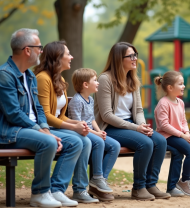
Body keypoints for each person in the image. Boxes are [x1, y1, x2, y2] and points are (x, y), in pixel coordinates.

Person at [0, 28, 83, 207]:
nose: (41, 50)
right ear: (27, 50)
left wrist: (45, 128)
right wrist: (43, 132)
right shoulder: (4, 75)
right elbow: (13, 114)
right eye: (39, 47)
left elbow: (38, 108)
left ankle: (56, 190)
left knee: (75, 142)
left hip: (32, 130)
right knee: (48, 142)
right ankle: (39, 193)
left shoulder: (29, 75)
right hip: (11, 133)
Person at [94, 42, 170, 201]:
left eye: (136, 55)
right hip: (110, 127)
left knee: (160, 141)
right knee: (146, 143)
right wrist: (136, 128)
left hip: (130, 125)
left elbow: (138, 110)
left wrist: (142, 125)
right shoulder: (105, 79)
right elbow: (107, 115)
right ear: (118, 59)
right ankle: (139, 187)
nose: (135, 59)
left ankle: (151, 184)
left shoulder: (133, 80)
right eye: (131, 56)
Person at [33, 41, 98, 204]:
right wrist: (73, 127)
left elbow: (60, 115)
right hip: (43, 129)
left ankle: (80, 190)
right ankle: (56, 189)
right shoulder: (42, 79)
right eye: (68, 54)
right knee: (77, 141)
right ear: (57, 57)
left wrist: (78, 124)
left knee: (86, 141)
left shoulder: (59, 79)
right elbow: (45, 116)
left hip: (56, 127)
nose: (71, 57)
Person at [68, 68, 121, 201]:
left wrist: (99, 131)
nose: (98, 83)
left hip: (91, 131)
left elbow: (92, 120)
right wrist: (96, 134)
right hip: (80, 132)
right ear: (86, 84)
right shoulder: (76, 101)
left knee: (115, 145)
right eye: (95, 80)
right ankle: (97, 177)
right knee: (99, 142)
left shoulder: (90, 100)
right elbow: (79, 125)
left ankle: (100, 180)